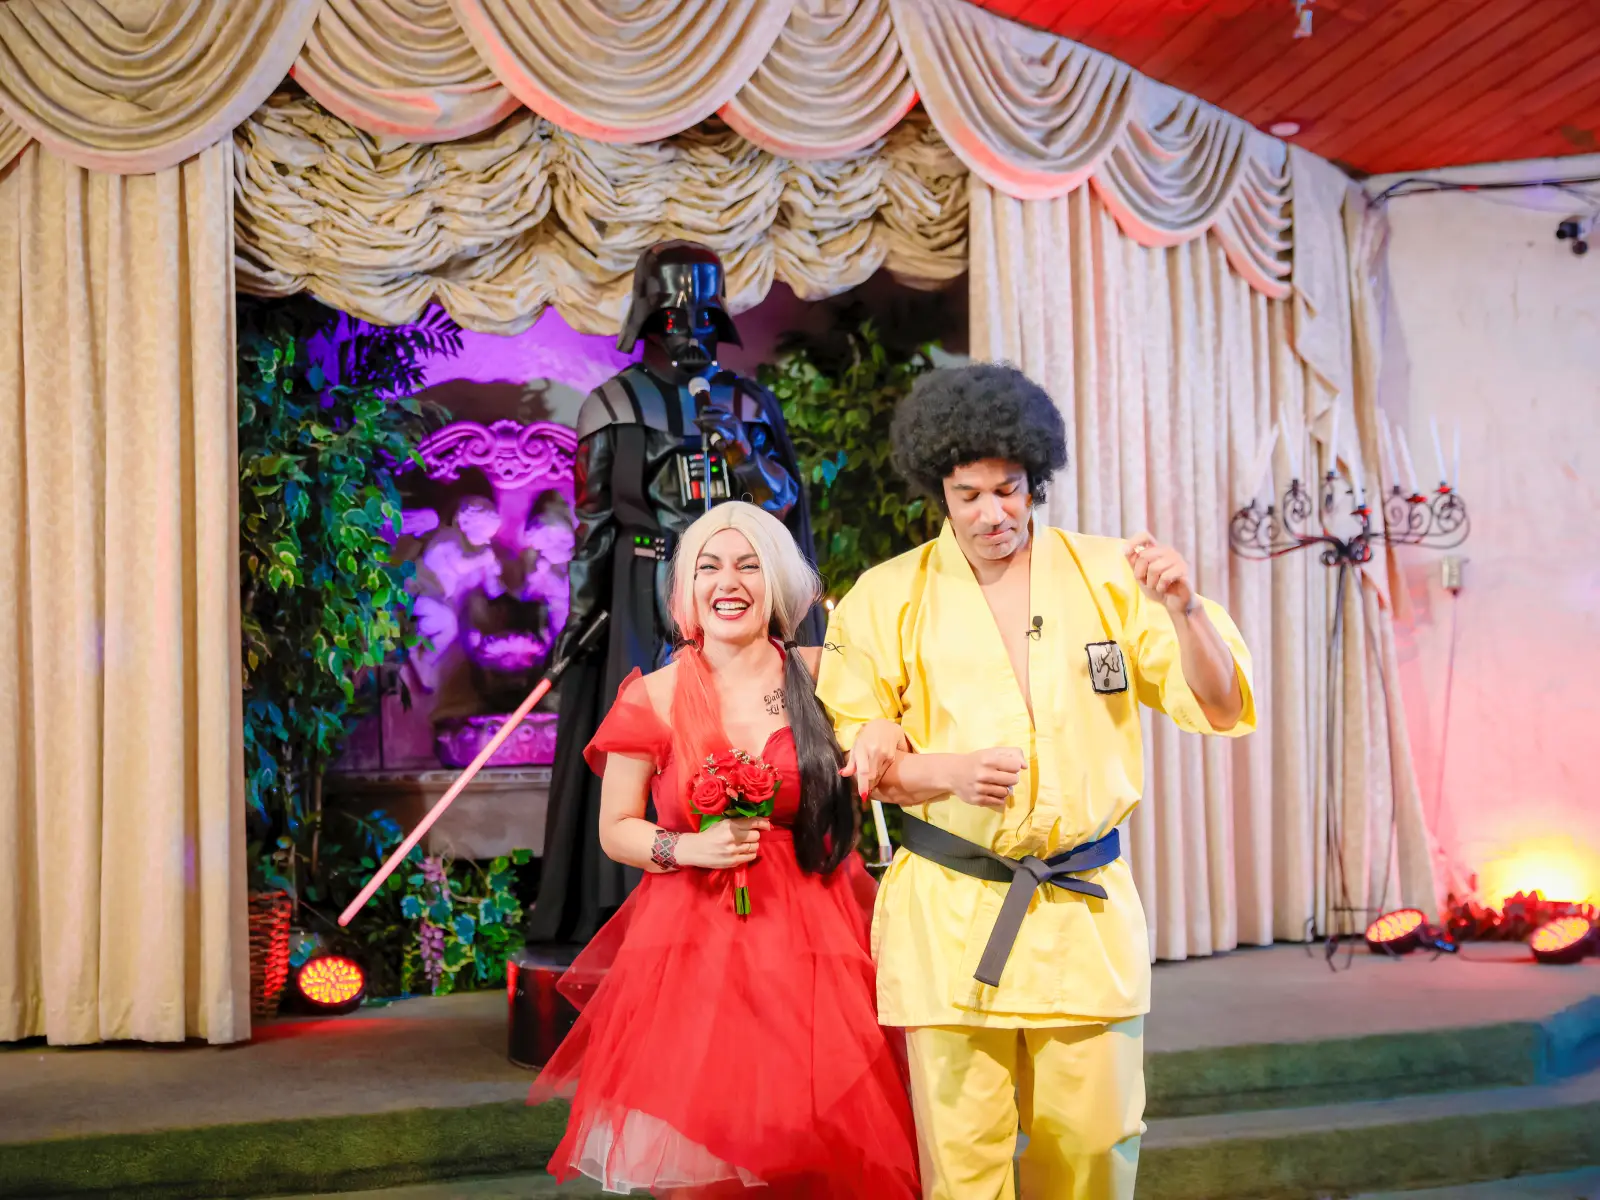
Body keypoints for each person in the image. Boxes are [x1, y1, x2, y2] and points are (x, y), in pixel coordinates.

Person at [817, 363, 1256, 1200]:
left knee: (1093, 1146)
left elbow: (1220, 701)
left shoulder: (1111, 576)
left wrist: (1185, 609)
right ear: (938, 493)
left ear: (1035, 480)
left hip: (1080, 910)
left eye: (1009, 490)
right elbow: (863, 754)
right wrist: (943, 771)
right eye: (969, 494)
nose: (993, 513)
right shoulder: (886, 595)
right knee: (963, 1163)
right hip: (950, 912)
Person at [529, 501, 919, 1199]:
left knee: (828, 1135)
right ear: (686, 589)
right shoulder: (654, 696)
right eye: (708, 566)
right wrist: (687, 847)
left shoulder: (823, 675)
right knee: (714, 1146)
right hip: (696, 944)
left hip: (820, 934)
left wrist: (885, 731)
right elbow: (616, 828)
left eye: (747, 565)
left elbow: (890, 724)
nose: (727, 582)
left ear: (777, 583)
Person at [528, 240, 821, 946]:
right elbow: (594, 525)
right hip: (643, 589)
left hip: (740, 598)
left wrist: (741, 450)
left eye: (700, 316)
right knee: (645, 741)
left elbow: (786, 510)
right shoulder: (612, 403)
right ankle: (634, 910)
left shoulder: (748, 402)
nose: (687, 332)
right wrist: (580, 618)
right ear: (646, 317)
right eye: (670, 317)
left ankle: (749, 898)